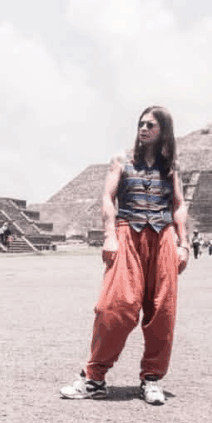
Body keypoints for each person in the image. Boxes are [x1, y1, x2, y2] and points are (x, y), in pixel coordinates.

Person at [60, 105, 189, 405]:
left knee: (162, 312)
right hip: (127, 234)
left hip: (163, 238)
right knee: (114, 307)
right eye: (141, 123)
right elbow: (107, 198)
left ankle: (152, 378)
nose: (143, 128)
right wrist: (109, 237)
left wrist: (184, 244)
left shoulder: (172, 167)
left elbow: (180, 205)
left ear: (163, 131)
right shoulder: (121, 160)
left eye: (151, 125)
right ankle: (94, 378)